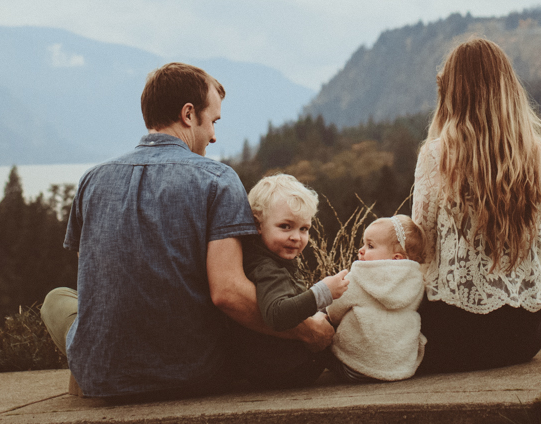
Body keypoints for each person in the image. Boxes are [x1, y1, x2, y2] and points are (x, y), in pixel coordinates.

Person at [40, 63, 333, 400]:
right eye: (214, 121)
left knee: (58, 300)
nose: (214, 135)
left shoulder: (92, 180)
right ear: (189, 114)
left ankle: (92, 364)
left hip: (100, 377)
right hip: (194, 374)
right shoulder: (217, 180)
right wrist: (307, 330)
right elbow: (228, 294)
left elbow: (94, 281)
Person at [411, 37, 541, 373]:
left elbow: (422, 246)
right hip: (524, 333)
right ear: (509, 88)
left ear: (451, 93)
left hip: (451, 332)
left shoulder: (436, 156)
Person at [232, 174, 350, 388]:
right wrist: (323, 292)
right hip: (285, 370)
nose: (296, 237)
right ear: (258, 225)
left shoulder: (266, 259)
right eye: (285, 226)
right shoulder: (267, 268)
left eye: (304, 229)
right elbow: (277, 314)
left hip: (269, 366)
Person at [326, 214, 427, 382]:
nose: (361, 250)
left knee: (320, 333)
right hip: (399, 367)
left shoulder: (360, 276)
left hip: (353, 367)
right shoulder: (416, 281)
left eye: (370, 245)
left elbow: (334, 311)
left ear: (397, 258)